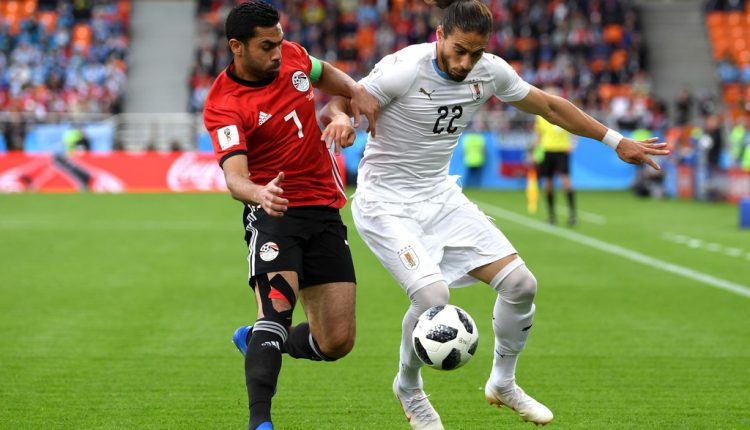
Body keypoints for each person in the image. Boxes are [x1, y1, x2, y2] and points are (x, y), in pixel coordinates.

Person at [320, 1, 669, 428]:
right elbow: (337, 103)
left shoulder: (490, 71)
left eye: (477, 52)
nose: (465, 63)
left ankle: (503, 382)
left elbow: (550, 107)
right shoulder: (404, 69)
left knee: (522, 285)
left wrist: (616, 141)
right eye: (459, 50)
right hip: (385, 203)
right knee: (432, 298)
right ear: (440, 36)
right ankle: (409, 387)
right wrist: (340, 119)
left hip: (440, 196)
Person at [201, 2, 377, 430]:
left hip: (324, 208)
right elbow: (234, 178)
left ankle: (258, 341)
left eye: (279, 42)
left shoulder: (293, 56)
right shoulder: (224, 104)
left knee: (337, 341)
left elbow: (323, 73)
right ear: (237, 47)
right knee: (276, 314)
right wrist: (259, 194)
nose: (278, 53)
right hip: (274, 211)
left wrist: (353, 91)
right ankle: (259, 421)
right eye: (267, 46)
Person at [532, 100, 577, 225]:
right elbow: (539, 136)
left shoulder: (564, 114)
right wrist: (534, 152)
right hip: (547, 151)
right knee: (548, 183)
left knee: (565, 181)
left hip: (562, 150)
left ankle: (572, 215)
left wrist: (573, 144)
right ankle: (552, 216)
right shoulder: (540, 117)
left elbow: (575, 129)